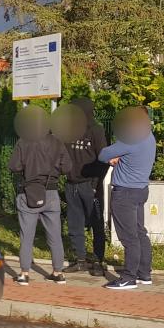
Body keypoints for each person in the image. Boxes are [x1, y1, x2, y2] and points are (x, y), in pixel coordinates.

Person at [8, 106, 72, 286]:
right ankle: (58, 272)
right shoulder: (57, 142)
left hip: (28, 192)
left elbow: (13, 166)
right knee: (55, 235)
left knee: (26, 236)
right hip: (51, 193)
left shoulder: (24, 142)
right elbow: (67, 167)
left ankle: (24, 274)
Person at [98, 107, 157, 290]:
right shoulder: (150, 137)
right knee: (140, 232)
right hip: (141, 190)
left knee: (129, 236)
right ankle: (144, 273)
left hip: (125, 193)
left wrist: (114, 158)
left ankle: (128, 278)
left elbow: (102, 155)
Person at [62, 98, 109, 275]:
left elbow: (103, 158)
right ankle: (80, 259)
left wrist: (95, 183)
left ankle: (98, 261)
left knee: (96, 223)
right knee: (75, 224)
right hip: (72, 184)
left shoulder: (96, 130)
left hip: (90, 185)